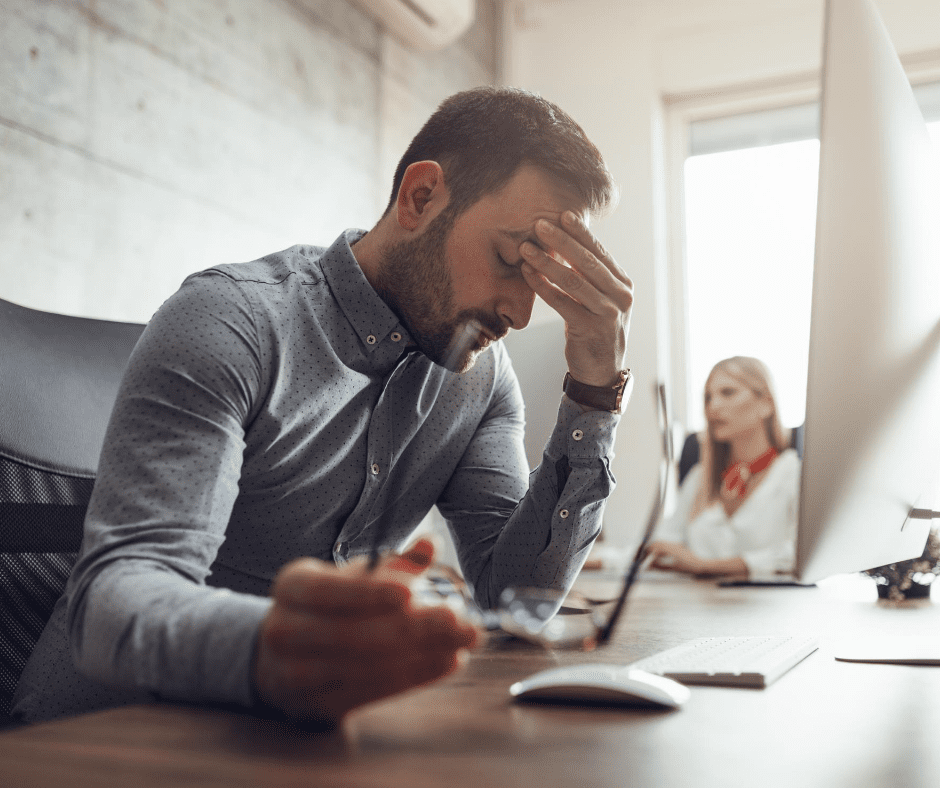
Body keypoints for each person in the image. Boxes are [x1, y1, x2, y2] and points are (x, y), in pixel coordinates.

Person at [12, 86, 634, 725]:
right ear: (421, 197)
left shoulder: (476, 377)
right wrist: (276, 649)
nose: (520, 312)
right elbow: (112, 603)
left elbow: (515, 596)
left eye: (539, 281)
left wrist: (594, 392)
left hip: (300, 745)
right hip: (106, 737)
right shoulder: (232, 321)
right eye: (509, 260)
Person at [645, 356, 800, 580]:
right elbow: (662, 544)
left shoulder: (794, 474)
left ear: (766, 404)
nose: (713, 407)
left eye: (728, 392)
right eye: (708, 398)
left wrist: (707, 566)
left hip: (770, 608)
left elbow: (800, 553)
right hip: (702, 607)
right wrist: (590, 558)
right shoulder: (701, 475)